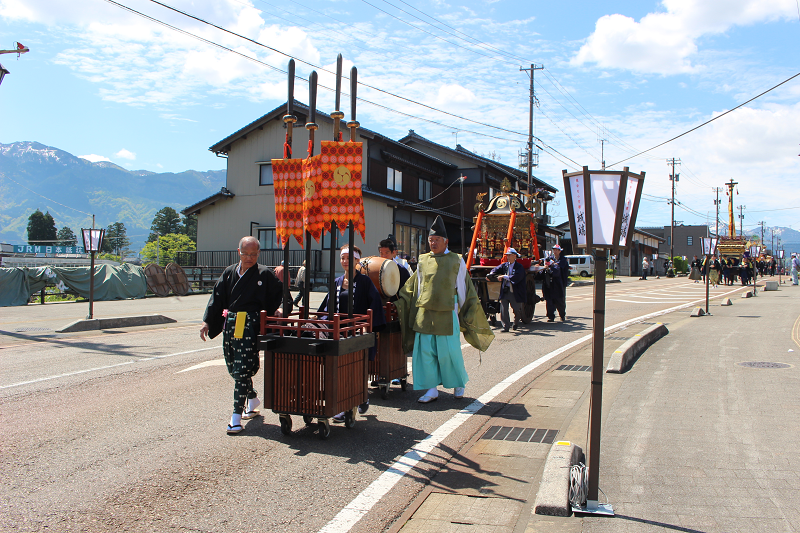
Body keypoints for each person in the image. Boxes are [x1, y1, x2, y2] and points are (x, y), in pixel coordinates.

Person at [396, 216, 494, 403]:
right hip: (425, 313)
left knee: (450, 352)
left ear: (445, 241)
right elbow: (417, 287)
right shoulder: (423, 260)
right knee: (425, 352)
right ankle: (431, 389)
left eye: (436, 240)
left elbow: (463, 289)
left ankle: (458, 382)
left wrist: (462, 312)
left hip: (448, 314)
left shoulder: (456, 260)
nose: (433, 243)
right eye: (431, 240)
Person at [200, 236, 283, 435]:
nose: (249, 258)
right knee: (234, 366)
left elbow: (279, 295)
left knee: (242, 368)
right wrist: (207, 321)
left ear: (258, 254)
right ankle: (252, 398)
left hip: (251, 324)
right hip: (231, 323)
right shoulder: (229, 272)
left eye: (253, 254)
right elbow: (217, 297)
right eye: (246, 254)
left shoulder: (265, 273)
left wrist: (278, 309)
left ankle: (236, 417)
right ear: (239, 252)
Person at [318, 245, 386, 421]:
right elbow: (328, 307)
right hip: (340, 330)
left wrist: (366, 326)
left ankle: (358, 397)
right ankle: (346, 403)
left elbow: (374, 304)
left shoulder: (364, 281)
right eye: (342, 258)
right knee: (339, 368)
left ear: (357, 261)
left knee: (356, 367)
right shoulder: (337, 282)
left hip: (357, 330)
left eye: (349, 258)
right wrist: (322, 323)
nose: (345, 261)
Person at [487, 248, 526, 332]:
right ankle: (506, 326)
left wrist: (504, 276)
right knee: (503, 309)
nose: (508, 257)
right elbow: (496, 269)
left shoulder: (519, 267)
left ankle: (516, 322)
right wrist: (491, 274)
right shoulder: (505, 265)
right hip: (505, 290)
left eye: (509, 255)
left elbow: (517, 277)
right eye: (507, 255)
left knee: (516, 309)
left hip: (515, 291)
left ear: (514, 256)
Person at [543, 244, 569, 322]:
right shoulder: (550, 258)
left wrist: (552, 264)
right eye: (554, 250)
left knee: (559, 299)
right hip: (550, 281)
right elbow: (546, 263)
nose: (555, 251)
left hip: (560, 282)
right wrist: (546, 263)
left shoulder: (563, 259)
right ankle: (551, 316)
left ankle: (562, 315)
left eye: (556, 250)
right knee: (549, 299)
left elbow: (559, 266)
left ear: (560, 251)